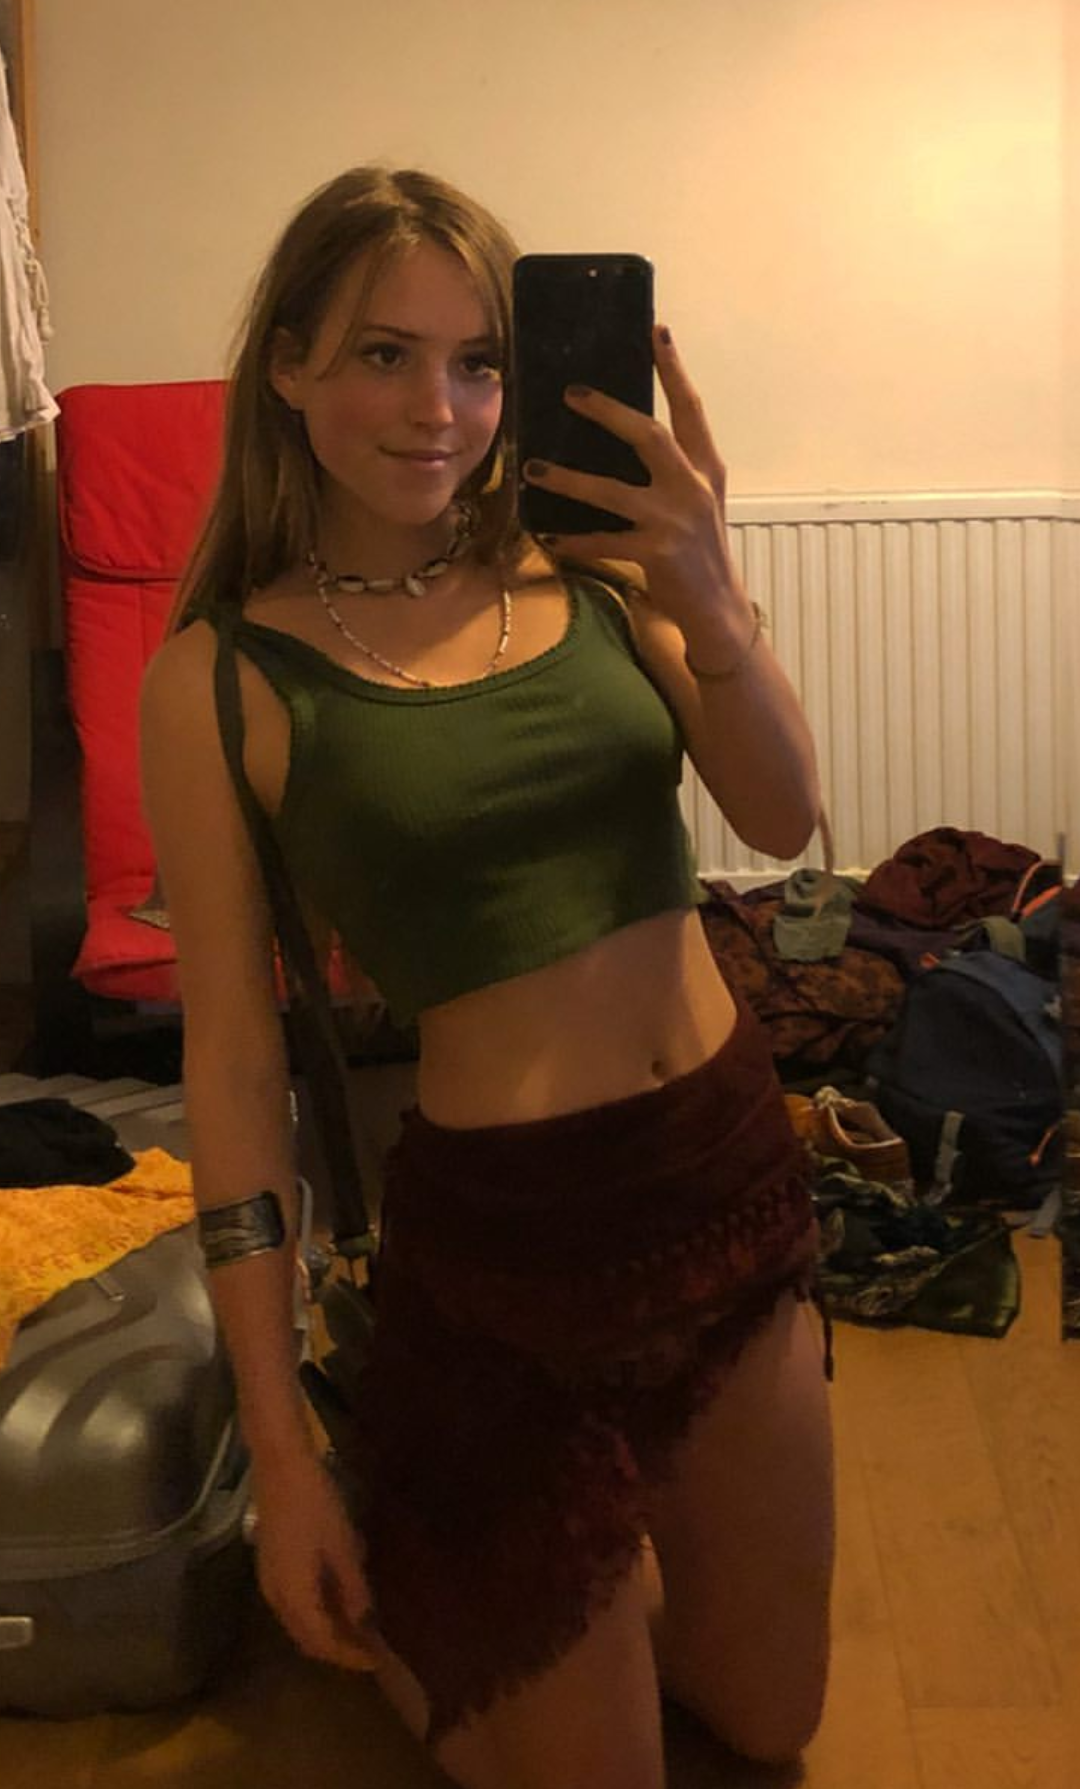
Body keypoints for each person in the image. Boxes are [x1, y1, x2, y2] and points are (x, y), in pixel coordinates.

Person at [140, 165, 835, 1789]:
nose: (437, 412)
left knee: (769, 1721)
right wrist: (283, 1457)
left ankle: (551, 1567)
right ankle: (433, 1554)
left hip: (725, 1179)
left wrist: (713, 598)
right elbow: (233, 1068)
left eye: (477, 363)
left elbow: (783, 817)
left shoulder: (599, 567)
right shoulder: (222, 678)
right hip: (511, 1263)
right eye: (383, 356)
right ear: (290, 366)